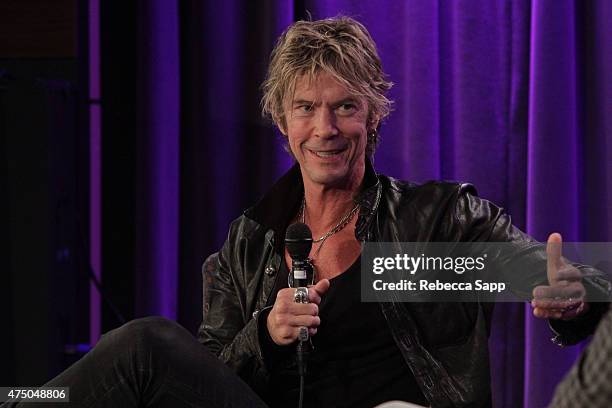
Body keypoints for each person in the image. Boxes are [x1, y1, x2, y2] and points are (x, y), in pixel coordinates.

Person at [4, 16, 609, 408]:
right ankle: (25, 401)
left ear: (373, 116)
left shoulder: (439, 221)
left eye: (346, 107)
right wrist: (265, 334)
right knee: (145, 348)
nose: (326, 129)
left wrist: (575, 295)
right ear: (282, 122)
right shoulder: (251, 241)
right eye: (305, 109)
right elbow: (202, 379)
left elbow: (571, 278)